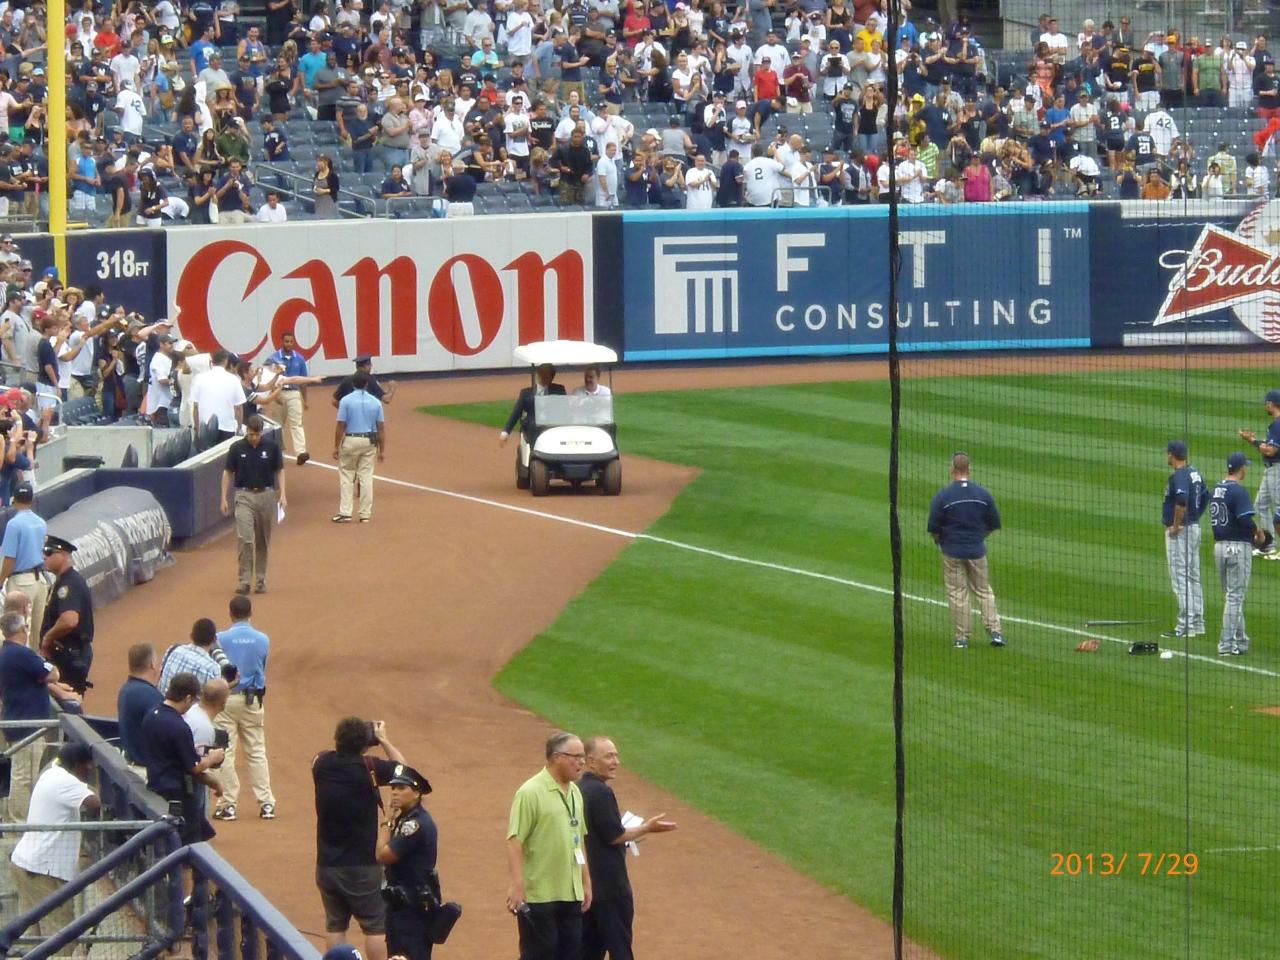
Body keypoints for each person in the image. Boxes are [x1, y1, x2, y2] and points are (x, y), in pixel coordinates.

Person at [313, 717, 407, 960]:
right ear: (366, 745)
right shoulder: (370, 766)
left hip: (326, 863)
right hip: (362, 865)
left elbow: (330, 753)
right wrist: (383, 739)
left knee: (335, 925)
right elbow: (403, 770)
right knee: (376, 925)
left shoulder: (321, 763)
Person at [580, 737, 677, 960]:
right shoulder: (601, 792)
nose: (616, 761)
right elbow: (615, 835)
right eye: (609, 756)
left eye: (616, 755)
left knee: (587, 951)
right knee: (620, 950)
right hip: (611, 888)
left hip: (589, 886)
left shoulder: (578, 789)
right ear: (591, 761)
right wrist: (647, 828)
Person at [506, 731, 592, 960]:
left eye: (583, 757)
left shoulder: (575, 793)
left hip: (570, 892)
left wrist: (585, 881)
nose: (581, 762)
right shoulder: (530, 792)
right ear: (556, 757)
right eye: (576, 757)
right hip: (539, 894)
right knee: (539, 954)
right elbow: (514, 841)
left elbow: (578, 839)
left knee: (570, 953)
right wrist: (517, 885)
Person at [9, 742, 101, 945]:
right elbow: (96, 804)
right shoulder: (66, 781)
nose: (89, 770)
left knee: (32, 941)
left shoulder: (52, 771)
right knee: (60, 942)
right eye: (87, 765)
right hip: (43, 873)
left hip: (25, 864)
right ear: (77, 765)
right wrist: (96, 782)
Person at [0, 611, 78, 823]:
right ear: (22, 629)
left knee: (22, 773)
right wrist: (45, 674)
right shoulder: (20, 654)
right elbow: (53, 674)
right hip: (26, 724)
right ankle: (19, 822)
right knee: (23, 776)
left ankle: (17, 820)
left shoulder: (8, 652)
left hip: (19, 720)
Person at [926, 452, 1004, 649]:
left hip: (952, 552)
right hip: (977, 551)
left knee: (957, 593)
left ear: (952, 470)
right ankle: (996, 633)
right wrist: (979, 538)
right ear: (969, 469)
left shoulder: (942, 496)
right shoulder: (983, 494)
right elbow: (994, 523)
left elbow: (934, 529)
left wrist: (943, 542)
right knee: (984, 591)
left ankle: (962, 637)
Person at [211, 594, 276, 821]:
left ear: (230, 614)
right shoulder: (263, 639)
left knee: (226, 752)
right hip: (252, 700)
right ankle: (266, 804)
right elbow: (261, 667)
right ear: (250, 614)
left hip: (226, 701)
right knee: (256, 751)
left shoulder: (219, 639)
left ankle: (228, 804)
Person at [141, 671, 225, 843]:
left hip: (154, 785)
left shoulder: (151, 715)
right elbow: (194, 766)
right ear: (187, 698)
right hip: (176, 794)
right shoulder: (179, 727)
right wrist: (212, 758)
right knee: (186, 842)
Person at [376, 764, 440, 960]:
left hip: (411, 911)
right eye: (393, 788)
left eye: (402, 788)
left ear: (416, 793)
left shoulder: (414, 825)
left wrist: (386, 821)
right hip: (402, 907)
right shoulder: (407, 819)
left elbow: (382, 855)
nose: (395, 793)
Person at [221, 415, 286, 596]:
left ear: (261, 432)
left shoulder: (272, 447)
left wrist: (283, 494)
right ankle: (244, 580)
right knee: (246, 538)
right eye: (251, 434)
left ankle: (260, 579)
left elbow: (280, 470)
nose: (254, 438)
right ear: (246, 432)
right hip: (244, 495)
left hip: (266, 495)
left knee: (262, 540)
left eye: (257, 435)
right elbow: (227, 472)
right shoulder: (236, 448)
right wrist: (223, 498)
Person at [1210, 452, 1266, 656]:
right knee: (1235, 597)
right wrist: (1258, 532)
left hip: (1219, 547)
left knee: (1232, 596)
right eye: (1245, 466)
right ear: (1241, 468)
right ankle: (1225, 645)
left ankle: (1241, 641)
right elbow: (1244, 520)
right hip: (1237, 548)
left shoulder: (1217, 489)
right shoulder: (1239, 491)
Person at [1162, 441, 1207, 641]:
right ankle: (1197, 623)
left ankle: (1185, 625)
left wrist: (1176, 524)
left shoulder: (1180, 475)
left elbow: (1181, 500)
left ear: (1172, 455)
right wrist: (1194, 517)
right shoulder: (1194, 472)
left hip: (1181, 532)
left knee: (1180, 577)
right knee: (1192, 576)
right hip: (1194, 528)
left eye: (1168, 454)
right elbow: (1206, 495)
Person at [40, 535, 95, 696]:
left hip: (70, 654)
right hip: (68, 652)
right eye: (44, 552)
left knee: (68, 700)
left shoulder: (69, 584)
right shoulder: (63, 581)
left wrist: (47, 638)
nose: (44, 557)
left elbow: (69, 620)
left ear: (63, 555)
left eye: (49, 552)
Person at [332, 372, 386, 524]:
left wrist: (336, 447)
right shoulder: (376, 402)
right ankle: (365, 514)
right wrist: (382, 450)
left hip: (351, 439)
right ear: (367, 384)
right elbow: (381, 428)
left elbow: (340, 425)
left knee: (347, 475)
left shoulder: (345, 401)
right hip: (370, 441)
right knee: (366, 476)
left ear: (353, 384)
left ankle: (345, 512)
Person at [0, 481, 48, 640]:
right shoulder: (41, 522)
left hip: (21, 583)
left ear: (14, 499)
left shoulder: (14, 524)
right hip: (40, 580)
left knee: (16, 632)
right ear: (31, 499)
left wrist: (0, 581)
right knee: (37, 633)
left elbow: (9, 559)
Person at [1237, 389, 1280, 558]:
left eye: (1266, 403)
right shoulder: (1276, 424)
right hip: (1270, 470)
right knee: (1261, 504)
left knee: (1279, 510)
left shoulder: (1277, 425)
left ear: (1271, 404)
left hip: (1277, 471)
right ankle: (1269, 545)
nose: (1264, 406)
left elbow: (1270, 451)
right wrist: (1255, 441)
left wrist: (1253, 441)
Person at [116, 642, 163, 777]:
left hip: (132, 766)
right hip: (147, 774)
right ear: (152, 664)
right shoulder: (149, 695)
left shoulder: (126, 689)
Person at [267, 331, 310, 465]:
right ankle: (277, 453)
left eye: (291, 341)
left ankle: (301, 452)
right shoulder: (273, 358)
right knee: (278, 424)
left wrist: (305, 399)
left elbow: (303, 381)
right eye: (287, 341)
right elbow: (268, 379)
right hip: (279, 392)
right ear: (282, 342)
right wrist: (274, 394)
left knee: (296, 423)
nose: (289, 344)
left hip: (294, 393)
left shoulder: (300, 359)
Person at [499, 363, 566, 446]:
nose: (544, 378)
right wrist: (506, 432)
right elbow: (516, 412)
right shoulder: (526, 393)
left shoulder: (559, 390)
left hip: (552, 424)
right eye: (542, 375)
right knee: (533, 427)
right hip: (533, 426)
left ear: (552, 377)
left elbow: (564, 409)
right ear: (538, 375)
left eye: (547, 376)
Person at [159, 617, 230, 693]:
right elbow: (215, 698)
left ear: (191, 636)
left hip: (161, 700)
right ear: (214, 639)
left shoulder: (173, 649)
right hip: (188, 701)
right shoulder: (212, 668)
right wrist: (227, 686)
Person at [332, 355, 396, 407]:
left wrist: (346, 412)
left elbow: (334, 401)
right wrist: (392, 388)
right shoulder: (370, 380)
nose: (371, 366)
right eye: (370, 364)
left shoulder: (346, 380)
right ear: (366, 366)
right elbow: (386, 399)